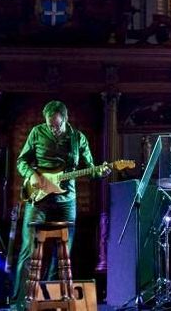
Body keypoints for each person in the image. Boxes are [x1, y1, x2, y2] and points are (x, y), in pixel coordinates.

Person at [10, 101, 105, 311]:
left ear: (65, 119)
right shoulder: (37, 132)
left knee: (62, 253)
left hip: (66, 201)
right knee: (28, 250)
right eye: (50, 125)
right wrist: (33, 175)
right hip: (38, 200)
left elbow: (89, 167)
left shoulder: (77, 138)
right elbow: (21, 162)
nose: (53, 129)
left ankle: (50, 301)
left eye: (57, 125)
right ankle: (19, 304)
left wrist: (99, 171)